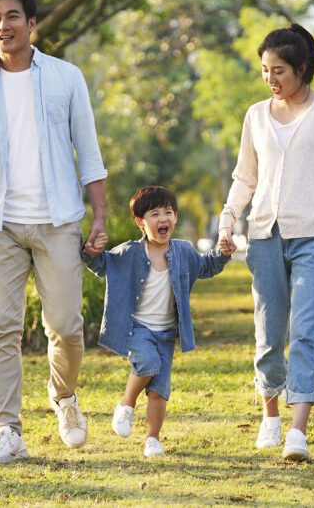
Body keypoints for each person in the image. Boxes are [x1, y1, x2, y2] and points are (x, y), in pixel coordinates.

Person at [0, 0, 108, 464]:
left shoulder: (66, 77)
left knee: (66, 326)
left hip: (57, 219)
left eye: (12, 17)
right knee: (1, 329)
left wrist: (100, 214)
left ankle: (64, 396)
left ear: (32, 23)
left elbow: (88, 149)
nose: (3, 26)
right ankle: (7, 430)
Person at [218, 24, 314, 462]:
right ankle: (270, 416)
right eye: (264, 70)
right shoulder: (256, 115)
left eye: (279, 70)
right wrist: (227, 220)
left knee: (306, 331)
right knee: (270, 332)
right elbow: (246, 177)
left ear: (303, 68)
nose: (271, 79)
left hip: (313, 237)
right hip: (264, 236)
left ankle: (298, 430)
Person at [82, 186, 232, 457]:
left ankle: (152, 438)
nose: (164, 218)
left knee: (159, 391)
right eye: (155, 213)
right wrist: (92, 251)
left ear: (175, 218)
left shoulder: (184, 252)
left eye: (169, 212)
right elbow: (102, 265)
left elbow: (206, 266)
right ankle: (126, 404)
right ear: (141, 222)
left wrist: (223, 254)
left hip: (166, 333)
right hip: (136, 328)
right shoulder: (130, 252)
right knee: (148, 362)